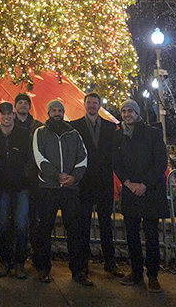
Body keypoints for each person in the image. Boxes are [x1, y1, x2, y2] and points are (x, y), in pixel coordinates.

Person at [32, 99, 90, 285]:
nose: (57, 113)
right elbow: (39, 157)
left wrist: (74, 177)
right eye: (54, 110)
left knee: (74, 229)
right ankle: (42, 268)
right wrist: (56, 175)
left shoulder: (74, 134)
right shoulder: (40, 132)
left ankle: (78, 270)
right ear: (48, 113)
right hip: (48, 188)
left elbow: (83, 157)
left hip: (70, 189)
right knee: (44, 229)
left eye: (60, 110)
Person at [114, 100, 168, 293]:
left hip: (150, 191)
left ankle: (153, 275)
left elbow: (160, 162)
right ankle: (136, 272)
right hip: (131, 191)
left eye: (130, 111)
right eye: (124, 111)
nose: (127, 114)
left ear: (137, 113)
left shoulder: (152, 133)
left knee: (152, 236)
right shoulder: (118, 135)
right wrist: (128, 183)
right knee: (132, 235)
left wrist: (144, 184)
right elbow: (116, 161)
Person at [70, 92, 123, 278]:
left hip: (104, 182)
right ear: (84, 104)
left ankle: (110, 262)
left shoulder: (111, 127)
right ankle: (83, 262)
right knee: (82, 225)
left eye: (95, 103)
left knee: (106, 225)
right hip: (84, 183)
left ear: (99, 105)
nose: (92, 105)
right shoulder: (74, 126)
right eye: (89, 102)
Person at [0, 101, 32, 279]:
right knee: (3, 225)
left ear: (14, 115)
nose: (6, 116)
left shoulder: (24, 134)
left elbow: (30, 158)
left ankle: (20, 263)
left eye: (9, 113)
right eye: (3, 113)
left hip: (21, 187)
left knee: (21, 225)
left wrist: (25, 176)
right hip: (1, 188)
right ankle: (5, 261)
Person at [14, 92, 42, 254]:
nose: (23, 105)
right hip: (17, 179)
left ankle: (33, 251)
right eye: (20, 103)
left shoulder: (37, 126)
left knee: (34, 218)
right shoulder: (10, 124)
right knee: (19, 219)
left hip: (35, 178)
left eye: (26, 103)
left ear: (30, 107)